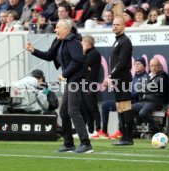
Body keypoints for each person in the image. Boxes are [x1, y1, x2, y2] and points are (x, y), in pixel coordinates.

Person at [26, 19, 93, 153]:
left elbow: (78, 60)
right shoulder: (58, 41)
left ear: (67, 30)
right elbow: (49, 55)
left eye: (57, 27)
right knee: (63, 112)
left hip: (77, 79)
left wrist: (65, 74)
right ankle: (68, 144)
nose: (55, 30)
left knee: (73, 111)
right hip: (71, 79)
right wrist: (33, 50)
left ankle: (86, 143)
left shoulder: (74, 42)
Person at [96, 57, 149, 139]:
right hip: (125, 98)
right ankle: (104, 131)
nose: (136, 66)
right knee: (105, 105)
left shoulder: (145, 77)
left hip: (135, 102)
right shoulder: (134, 77)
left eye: (139, 64)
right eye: (135, 64)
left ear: (144, 66)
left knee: (121, 105)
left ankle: (121, 130)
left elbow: (138, 93)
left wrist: (124, 94)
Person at [103, 16, 134, 145]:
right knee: (120, 107)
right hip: (117, 78)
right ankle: (123, 135)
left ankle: (128, 137)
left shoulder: (125, 41)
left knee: (125, 106)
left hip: (123, 77)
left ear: (124, 26)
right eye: (114, 24)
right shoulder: (117, 41)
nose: (115, 26)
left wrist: (110, 75)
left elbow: (121, 62)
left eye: (118, 25)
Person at [132, 58, 169, 134]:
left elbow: (152, 86)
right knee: (128, 109)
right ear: (149, 66)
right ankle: (134, 131)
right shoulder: (149, 76)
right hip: (145, 101)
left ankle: (156, 128)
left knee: (142, 113)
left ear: (159, 66)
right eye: (152, 66)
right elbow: (142, 88)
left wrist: (143, 88)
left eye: (156, 65)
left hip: (156, 102)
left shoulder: (162, 76)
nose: (154, 68)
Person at [80, 35, 101, 135]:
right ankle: (90, 130)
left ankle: (98, 129)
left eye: (83, 42)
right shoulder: (88, 53)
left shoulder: (94, 53)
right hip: (84, 83)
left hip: (90, 84)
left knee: (92, 107)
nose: (81, 44)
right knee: (85, 108)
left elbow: (83, 64)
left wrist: (83, 53)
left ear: (88, 44)